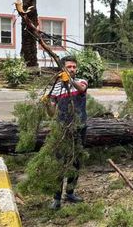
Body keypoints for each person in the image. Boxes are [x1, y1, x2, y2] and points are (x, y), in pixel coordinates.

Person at [48, 55, 88, 210]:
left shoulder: (82, 81)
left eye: (74, 67)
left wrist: (69, 81)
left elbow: (81, 89)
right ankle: (56, 198)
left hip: (79, 128)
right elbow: (51, 113)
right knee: (60, 163)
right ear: (63, 68)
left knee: (75, 161)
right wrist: (47, 103)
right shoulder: (56, 87)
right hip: (62, 129)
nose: (72, 69)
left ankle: (70, 193)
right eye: (69, 67)